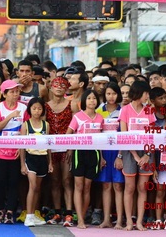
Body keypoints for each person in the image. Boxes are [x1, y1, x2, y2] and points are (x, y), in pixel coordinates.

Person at [119, 80, 155, 231]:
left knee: (142, 188)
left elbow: (153, 135)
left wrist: (147, 155)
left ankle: (139, 221)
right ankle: (129, 221)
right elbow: (123, 135)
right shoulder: (125, 110)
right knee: (129, 187)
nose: (147, 96)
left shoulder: (149, 111)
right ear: (140, 93)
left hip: (146, 151)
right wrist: (135, 155)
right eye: (146, 93)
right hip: (129, 152)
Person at [67, 89, 104, 229]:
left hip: (94, 153)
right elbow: (68, 134)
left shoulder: (100, 118)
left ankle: (81, 216)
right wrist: (70, 149)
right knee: (79, 186)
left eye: (94, 98)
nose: (92, 101)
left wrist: (101, 157)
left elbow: (102, 139)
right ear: (84, 101)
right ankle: (80, 219)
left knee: (87, 187)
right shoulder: (77, 116)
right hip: (79, 152)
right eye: (89, 98)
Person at [0, 79, 26, 224]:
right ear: (4, 94)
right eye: (12, 92)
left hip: (16, 152)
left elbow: (25, 129)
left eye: (17, 91)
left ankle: (11, 211)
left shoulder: (24, 108)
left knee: (14, 182)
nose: (15, 94)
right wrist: (10, 116)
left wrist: (21, 148)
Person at [45, 76, 73, 224]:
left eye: (63, 85)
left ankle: (69, 213)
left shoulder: (72, 105)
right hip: (51, 147)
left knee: (67, 180)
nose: (59, 87)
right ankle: (57, 212)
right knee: (54, 181)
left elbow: (76, 127)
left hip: (67, 146)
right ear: (51, 87)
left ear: (67, 88)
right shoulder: (45, 106)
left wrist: (72, 147)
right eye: (56, 84)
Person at [20, 97, 50, 227]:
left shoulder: (46, 125)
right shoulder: (25, 125)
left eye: (39, 109)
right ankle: (28, 216)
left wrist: (50, 162)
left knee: (37, 188)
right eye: (34, 108)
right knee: (32, 186)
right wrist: (22, 164)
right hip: (30, 157)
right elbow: (21, 146)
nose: (37, 111)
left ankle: (33, 214)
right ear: (30, 110)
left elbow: (48, 145)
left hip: (42, 158)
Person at [97, 83, 124, 229]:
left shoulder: (123, 111)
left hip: (118, 151)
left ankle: (119, 220)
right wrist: (100, 156)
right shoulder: (99, 110)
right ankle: (106, 219)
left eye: (114, 93)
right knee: (106, 185)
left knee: (118, 186)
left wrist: (120, 155)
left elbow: (124, 135)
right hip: (104, 152)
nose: (111, 96)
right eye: (108, 93)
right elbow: (97, 134)